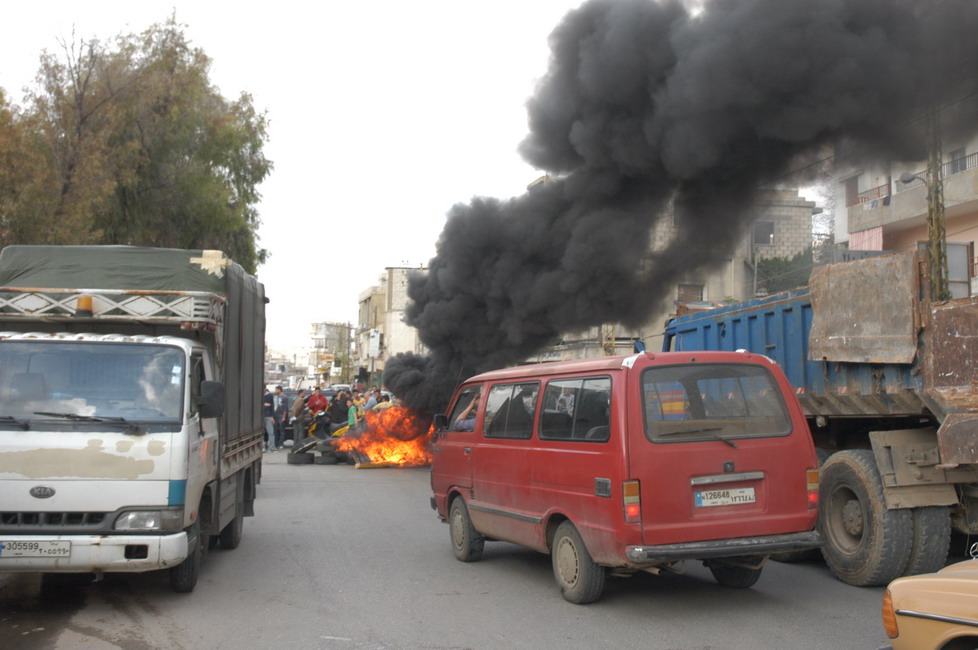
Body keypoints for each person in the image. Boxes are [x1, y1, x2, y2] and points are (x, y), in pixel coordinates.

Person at [262, 388, 277, 452]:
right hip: (260, 417)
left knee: (271, 433)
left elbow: (272, 406)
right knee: (261, 433)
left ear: (265, 388)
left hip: (268, 417)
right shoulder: (258, 395)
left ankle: (271, 448)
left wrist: (272, 417)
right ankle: (262, 447)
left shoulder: (270, 396)